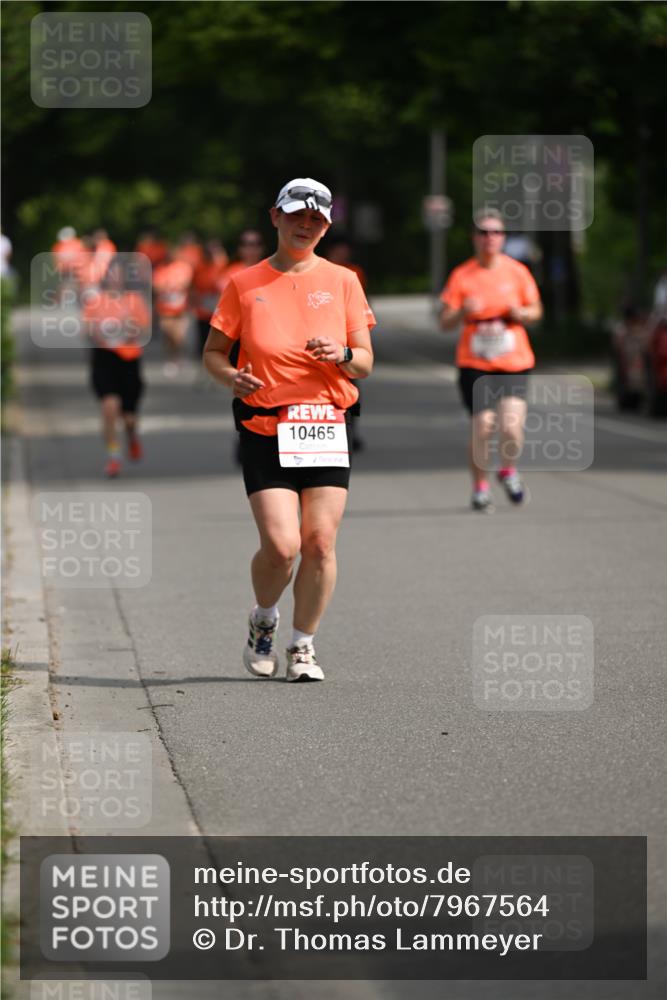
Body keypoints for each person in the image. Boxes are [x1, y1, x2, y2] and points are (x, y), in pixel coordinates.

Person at [203, 178, 375, 682]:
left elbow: (364, 362)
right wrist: (231, 377)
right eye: (297, 215)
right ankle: (263, 619)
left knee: (319, 543)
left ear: (326, 227)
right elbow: (213, 353)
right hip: (266, 427)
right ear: (275, 216)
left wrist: (342, 354)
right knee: (282, 547)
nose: (306, 225)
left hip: (326, 424)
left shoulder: (343, 281)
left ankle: (303, 646)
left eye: (317, 220)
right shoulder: (244, 284)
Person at [440, 208, 543, 511]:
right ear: (475, 238)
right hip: (475, 363)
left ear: (503, 237)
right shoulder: (462, 275)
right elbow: (445, 322)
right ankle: (480, 488)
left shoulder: (517, 272)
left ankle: (508, 471)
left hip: (513, 361)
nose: (490, 238)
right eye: (484, 232)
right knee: (484, 426)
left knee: (511, 426)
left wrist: (522, 313)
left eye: (496, 232)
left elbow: (537, 310)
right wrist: (463, 311)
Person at [81, 260, 150, 477]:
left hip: (128, 359)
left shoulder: (134, 300)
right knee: (109, 408)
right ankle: (114, 456)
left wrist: (129, 329)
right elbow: (87, 329)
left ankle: (131, 436)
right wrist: (97, 333)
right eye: (111, 275)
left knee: (129, 418)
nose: (115, 279)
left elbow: (143, 329)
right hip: (104, 358)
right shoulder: (95, 301)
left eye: (118, 275)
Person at [153, 248, 194, 376]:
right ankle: (172, 358)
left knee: (179, 336)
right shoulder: (161, 269)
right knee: (168, 334)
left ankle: (179, 357)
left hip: (181, 308)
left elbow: (188, 284)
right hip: (165, 308)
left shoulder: (183, 267)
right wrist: (169, 287)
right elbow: (156, 287)